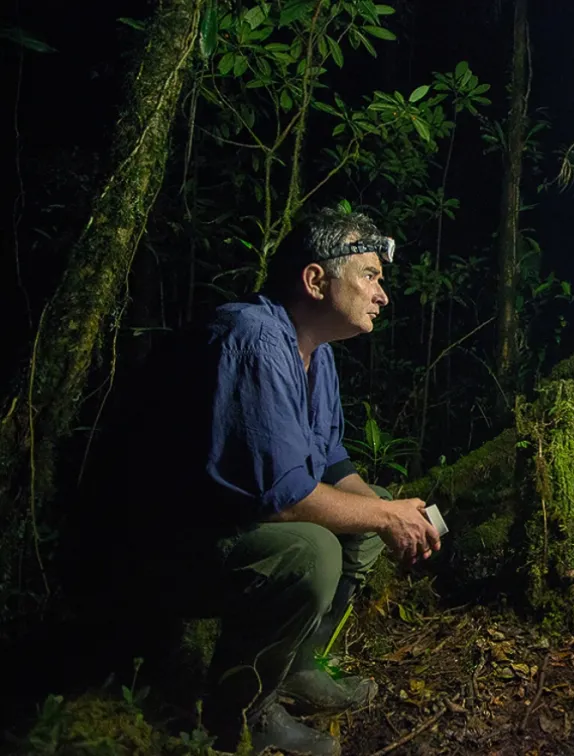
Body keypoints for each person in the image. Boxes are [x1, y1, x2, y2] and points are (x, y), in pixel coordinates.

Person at [74, 207, 442, 755]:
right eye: (370, 276)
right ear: (315, 280)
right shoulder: (253, 339)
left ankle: (295, 667)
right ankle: (241, 716)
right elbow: (286, 499)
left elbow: (333, 460)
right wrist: (387, 516)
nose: (382, 295)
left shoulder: (316, 352)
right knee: (310, 552)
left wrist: (392, 512)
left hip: (228, 531)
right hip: (159, 553)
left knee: (373, 513)